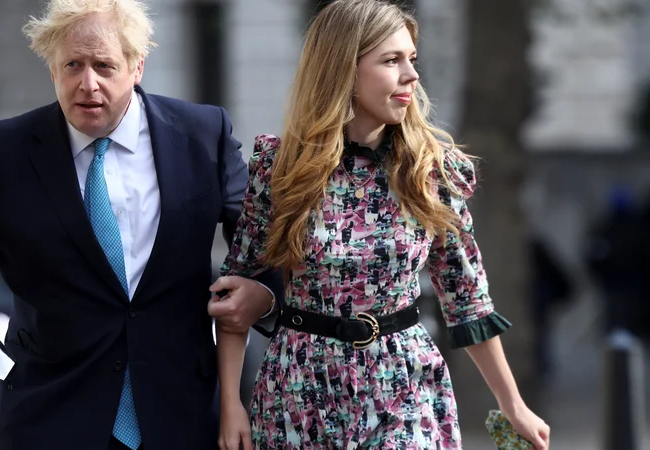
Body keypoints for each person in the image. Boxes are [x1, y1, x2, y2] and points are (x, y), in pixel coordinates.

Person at [0, 1, 281, 449]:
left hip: (182, 417)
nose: (87, 83)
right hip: (49, 419)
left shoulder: (201, 135)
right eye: (72, 64)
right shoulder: (2, 153)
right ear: (53, 70)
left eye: (104, 65)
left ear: (137, 67)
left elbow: (263, 244)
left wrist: (263, 292)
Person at [213, 1, 550, 449]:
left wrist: (513, 404)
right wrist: (232, 406)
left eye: (412, 59)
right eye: (392, 61)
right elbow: (237, 288)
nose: (411, 74)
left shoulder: (432, 170)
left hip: (404, 382)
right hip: (300, 387)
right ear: (343, 71)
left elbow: (466, 298)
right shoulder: (280, 169)